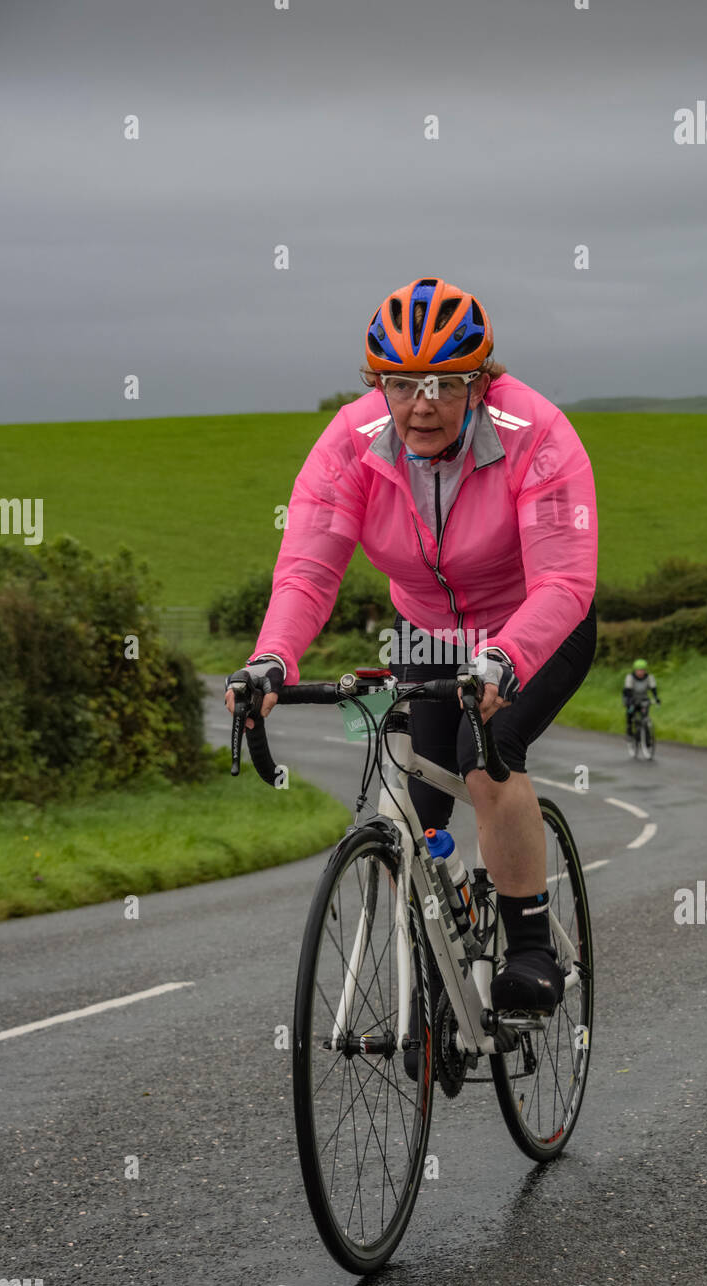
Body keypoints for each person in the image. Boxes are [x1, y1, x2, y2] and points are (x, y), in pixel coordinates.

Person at [225, 276, 597, 1019]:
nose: (420, 403)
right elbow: (309, 565)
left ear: (481, 383)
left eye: (443, 383)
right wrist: (272, 659)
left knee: (482, 754)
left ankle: (526, 948)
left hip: (534, 621)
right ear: (377, 384)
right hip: (426, 626)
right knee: (411, 803)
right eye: (400, 383)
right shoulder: (351, 443)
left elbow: (561, 577)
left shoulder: (538, 433)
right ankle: (443, 930)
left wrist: (505, 659)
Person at [623, 658, 660, 738]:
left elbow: (653, 688)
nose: (640, 672)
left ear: (645, 670)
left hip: (643, 699)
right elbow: (627, 690)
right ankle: (629, 729)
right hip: (632, 698)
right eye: (639, 670)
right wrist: (630, 701)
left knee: (645, 716)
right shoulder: (630, 677)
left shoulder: (649, 677)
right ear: (635, 670)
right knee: (630, 713)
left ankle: (646, 735)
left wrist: (656, 698)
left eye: (642, 670)